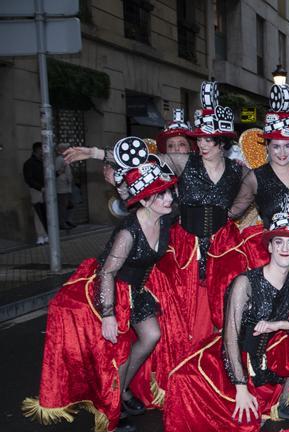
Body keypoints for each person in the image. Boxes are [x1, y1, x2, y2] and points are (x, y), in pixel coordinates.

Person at [64, 81, 251, 401]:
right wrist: (96, 153)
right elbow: (141, 158)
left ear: (222, 141)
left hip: (221, 250)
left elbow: (248, 196)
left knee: (222, 312)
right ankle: (178, 378)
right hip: (183, 251)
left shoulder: (238, 170)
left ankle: (214, 375)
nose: (201, 144)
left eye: (208, 139)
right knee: (180, 317)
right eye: (199, 139)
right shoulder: (183, 163)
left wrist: (229, 216)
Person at [23, 142, 181, 432]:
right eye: (162, 194)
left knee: (151, 336)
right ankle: (112, 408)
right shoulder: (128, 232)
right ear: (145, 201)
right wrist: (108, 314)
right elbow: (107, 272)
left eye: (169, 192)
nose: (169, 197)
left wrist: (101, 157)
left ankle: (121, 390)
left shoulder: (166, 217)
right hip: (112, 291)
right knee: (117, 351)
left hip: (137, 289)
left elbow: (145, 157)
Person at [163, 196, 289, 432]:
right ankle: (244, 392)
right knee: (188, 383)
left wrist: (279, 325)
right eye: (278, 242)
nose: (284, 248)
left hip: (267, 352)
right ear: (269, 247)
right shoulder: (245, 282)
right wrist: (240, 386)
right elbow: (230, 334)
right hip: (235, 352)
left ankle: (287, 400)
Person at [209, 83, 289, 326]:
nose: (282, 152)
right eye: (276, 146)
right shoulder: (255, 177)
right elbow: (234, 212)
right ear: (267, 146)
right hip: (276, 256)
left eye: (288, 145)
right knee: (275, 316)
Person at [22, 141, 48, 245]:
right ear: (37, 150)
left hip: (45, 190)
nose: (43, 151)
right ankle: (40, 236)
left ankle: (46, 234)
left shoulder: (43, 162)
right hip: (37, 191)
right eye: (42, 149)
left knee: (46, 213)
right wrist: (40, 188)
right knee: (38, 214)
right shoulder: (29, 163)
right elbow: (29, 179)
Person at [54, 143, 75, 230]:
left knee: (68, 205)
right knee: (63, 206)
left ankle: (67, 221)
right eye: (66, 148)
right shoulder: (59, 159)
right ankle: (62, 223)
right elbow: (57, 172)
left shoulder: (64, 159)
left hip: (66, 187)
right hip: (62, 188)